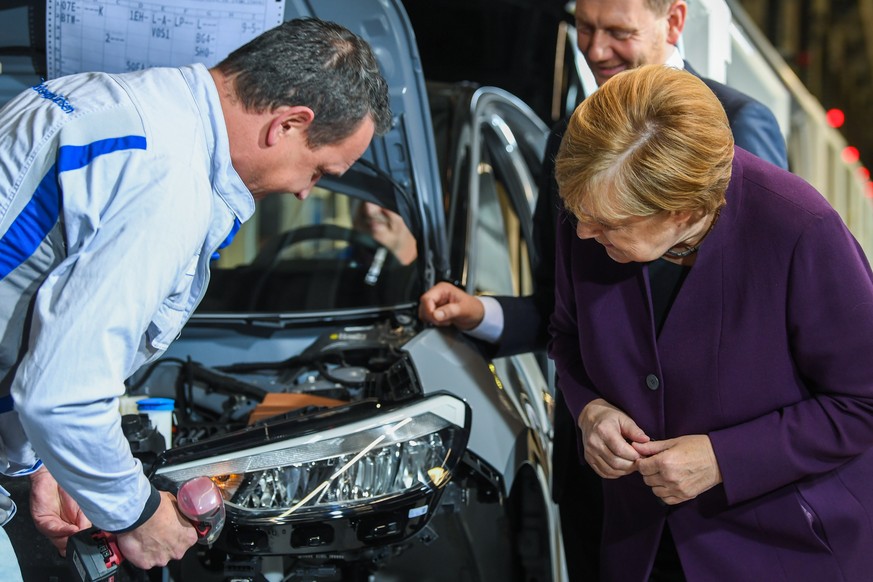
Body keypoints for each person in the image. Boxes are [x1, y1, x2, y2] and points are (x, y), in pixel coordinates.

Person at [0, 16, 391, 575]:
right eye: (320, 170)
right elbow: (62, 395)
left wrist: (31, 461)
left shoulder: (100, 99)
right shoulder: (168, 182)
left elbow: (26, 301)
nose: (308, 193)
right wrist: (139, 516)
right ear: (288, 124)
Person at [418, 0, 787, 577]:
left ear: (674, 22)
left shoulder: (738, 125)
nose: (594, 50)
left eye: (617, 31)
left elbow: (758, 321)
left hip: (710, 485)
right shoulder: (569, 135)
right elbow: (563, 311)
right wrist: (482, 313)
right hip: (598, 481)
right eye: (584, 29)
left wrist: (727, 456)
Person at [551, 63, 873, 581]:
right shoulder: (596, 207)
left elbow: (863, 401)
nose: (584, 232)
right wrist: (590, 409)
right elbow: (566, 337)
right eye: (578, 214)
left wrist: (724, 458)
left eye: (608, 223)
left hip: (783, 551)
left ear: (681, 211)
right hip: (641, 549)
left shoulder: (801, 229)